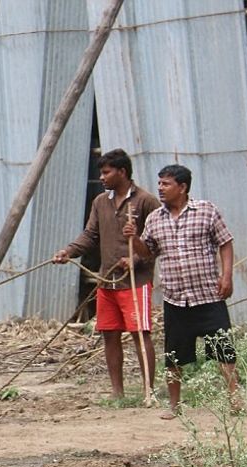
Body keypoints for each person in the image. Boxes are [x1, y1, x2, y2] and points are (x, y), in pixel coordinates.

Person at [123, 164, 239, 420]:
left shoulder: (206, 211)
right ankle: (174, 405)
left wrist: (227, 276)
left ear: (183, 187)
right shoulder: (155, 218)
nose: (160, 188)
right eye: (159, 183)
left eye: (166, 184)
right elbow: (148, 253)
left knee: (224, 350)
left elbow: (225, 242)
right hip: (176, 299)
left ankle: (235, 399)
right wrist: (135, 239)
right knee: (173, 355)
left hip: (208, 295)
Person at [53, 149, 159, 399]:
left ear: (122, 172)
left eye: (106, 172)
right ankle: (117, 392)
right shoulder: (100, 202)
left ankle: (149, 390)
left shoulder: (146, 201)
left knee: (140, 333)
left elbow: (157, 243)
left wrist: (135, 259)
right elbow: (90, 235)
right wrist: (69, 251)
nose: (101, 177)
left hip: (136, 282)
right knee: (109, 334)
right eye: (101, 173)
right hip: (107, 281)